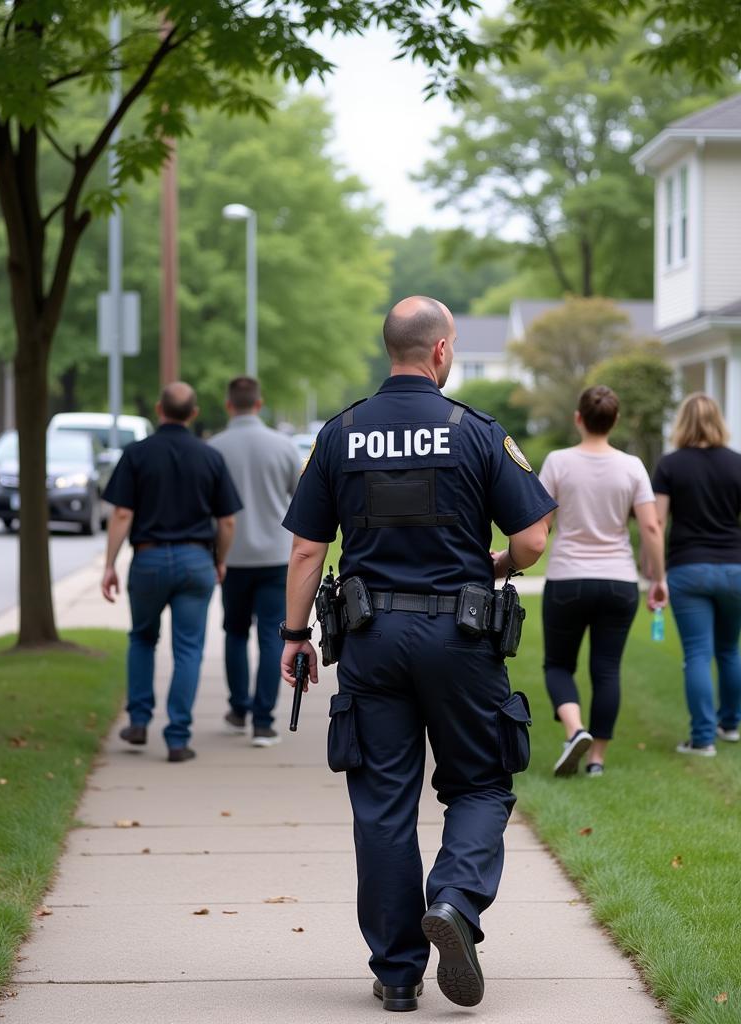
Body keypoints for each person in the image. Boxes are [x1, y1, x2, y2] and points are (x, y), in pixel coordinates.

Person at [278, 296, 556, 1013]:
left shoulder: (340, 434)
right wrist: (490, 565)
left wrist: (295, 636)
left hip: (371, 643)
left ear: (390, 349)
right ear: (439, 352)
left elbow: (309, 546)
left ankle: (397, 974)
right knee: (483, 782)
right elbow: (531, 540)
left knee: (382, 807)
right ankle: (457, 903)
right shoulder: (475, 432)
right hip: (460, 640)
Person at [101, 382, 243, 763]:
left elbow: (122, 514)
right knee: (188, 651)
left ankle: (138, 721)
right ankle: (177, 738)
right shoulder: (209, 457)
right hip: (196, 561)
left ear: (158, 410)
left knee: (142, 638)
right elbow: (227, 521)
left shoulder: (136, 454)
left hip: (147, 560)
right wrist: (220, 560)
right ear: (194, 414)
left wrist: (109, 565)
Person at [538, 385, 667, 779]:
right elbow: (650, 525)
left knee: (558, 664)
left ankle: (574, 729)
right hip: (618, 581)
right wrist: (658, 579)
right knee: (606, 669)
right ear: (615, 421)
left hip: (567, 578)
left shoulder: (558, 462)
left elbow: (541, 523)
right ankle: (596, 760)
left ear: (579, 418)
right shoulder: (632, 467)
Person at [651, 392, 741, 756]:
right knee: (730, 649)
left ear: (682, 422)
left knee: (698, 654)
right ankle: (729, 724)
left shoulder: (670, 465)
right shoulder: (740, 464)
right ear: (718, 420)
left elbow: (656, 522)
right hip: (735, 568)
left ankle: (703, 738)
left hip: (689, 569)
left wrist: (656, 576)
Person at [208, 376, 302, 747]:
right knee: (270, 636)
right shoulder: (283, 447)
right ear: (259, 404)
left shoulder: (214, 449)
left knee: (234, 632)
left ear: (229, 405)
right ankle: (263, 721)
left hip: (232, 557)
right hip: (276, 556)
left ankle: (238, 709)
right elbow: (299, 499)